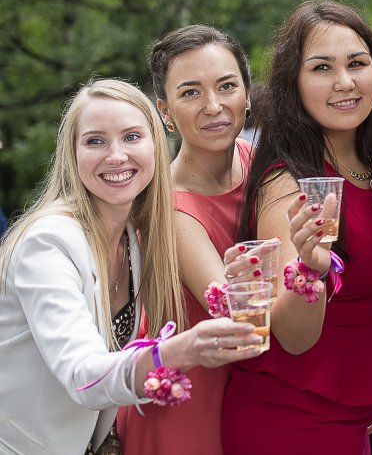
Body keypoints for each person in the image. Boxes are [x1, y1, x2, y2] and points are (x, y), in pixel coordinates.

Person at [0, 78, 262, 455]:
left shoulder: (132, 237)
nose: (116, 156)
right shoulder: (49, 243)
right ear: (72, 154)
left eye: (132, 137)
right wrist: (178, 351)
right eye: (95, 141)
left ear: (155, 144)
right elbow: (82, 376)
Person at [224, 0, 372, 454]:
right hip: (290, 418)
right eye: (322, 68)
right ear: (294, 85)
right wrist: (310, 269)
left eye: (357, 63)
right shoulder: (287, 183)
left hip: (353, 413)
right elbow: (293, 336)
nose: (344, 82)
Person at [117, 25, 256, 454]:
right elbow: (240, 315)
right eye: (191, 92)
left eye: (227, 86)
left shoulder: (257, 162)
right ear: (164, 110)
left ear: (247, 94)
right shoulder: (170, 207)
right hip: (188, 401)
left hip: (249, 392)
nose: (213, 106)